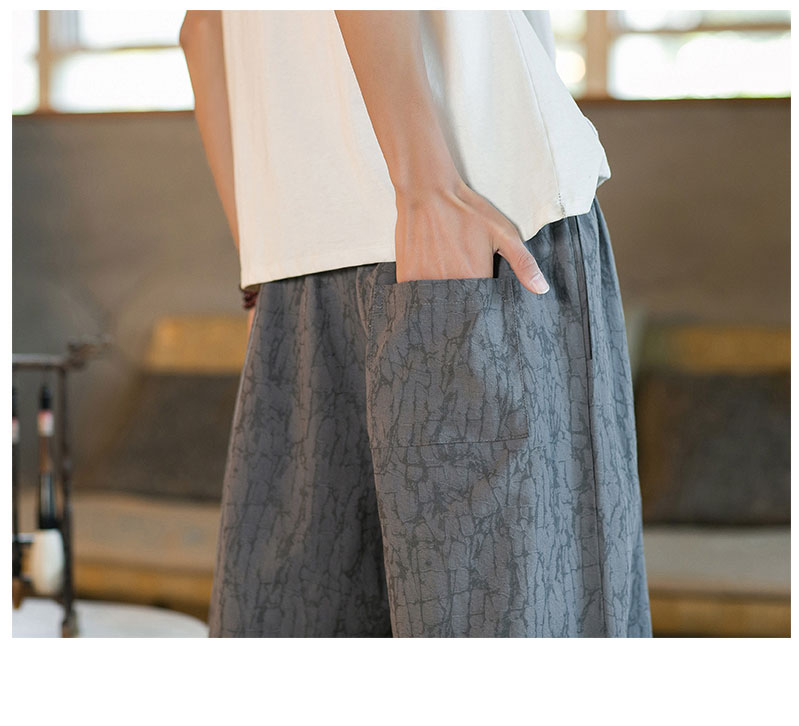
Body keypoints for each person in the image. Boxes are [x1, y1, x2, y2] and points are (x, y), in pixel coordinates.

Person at [180, 9, 652, 637]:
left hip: (296, 289)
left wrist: (261, 271)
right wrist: (425, 187)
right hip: (479, 224)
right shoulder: (438, 197)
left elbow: (202, 30)